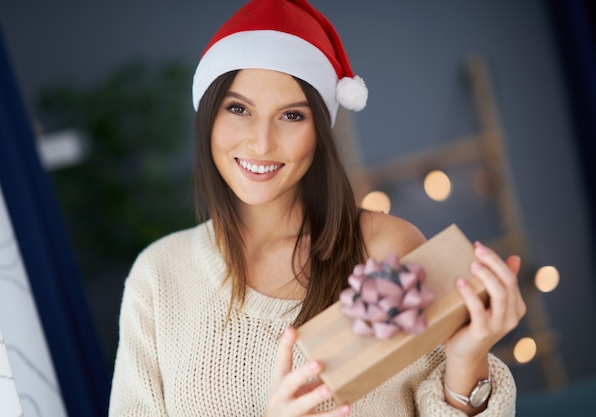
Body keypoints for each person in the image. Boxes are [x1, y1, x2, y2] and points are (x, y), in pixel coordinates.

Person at [108, 1, 526, 416]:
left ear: (319, 133)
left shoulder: (384, 251)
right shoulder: (159, 277)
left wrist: (468, 362)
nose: (261, 142)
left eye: (291, 115)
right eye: (238, 109)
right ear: (208, 117)